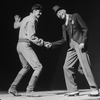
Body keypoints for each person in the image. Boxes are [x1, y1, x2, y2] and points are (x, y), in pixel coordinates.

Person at [45, 5, 99, 96]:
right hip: (71, 46)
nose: (58, 15)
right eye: (57, 14)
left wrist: (83, 42)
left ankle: (94, 89)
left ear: (64, 10)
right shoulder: (63, 25)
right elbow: (64, 40)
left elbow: (85, 29)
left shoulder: (75, 16)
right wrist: (52, 44)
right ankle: (73, 90)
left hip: (79, 43)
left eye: (59, 12)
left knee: (85, 66)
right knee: (66, 67)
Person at [8, 4, 47, 96]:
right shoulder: (32, 19)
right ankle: (30, 90)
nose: (40, 13)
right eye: (39, 11)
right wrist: (43, 43)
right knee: (38, 67)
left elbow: (16, 26)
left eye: (41, 12)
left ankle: (13, 88)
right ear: (33, 11)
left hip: (19, 45)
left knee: (25, 67)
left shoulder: (26, 18)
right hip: (25, 45)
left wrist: (16, 20)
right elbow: (31, 36)